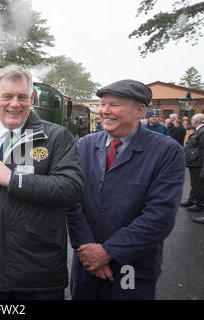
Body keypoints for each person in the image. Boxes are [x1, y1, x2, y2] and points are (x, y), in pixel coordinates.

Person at [0, 65, 83, 300]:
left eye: (22, 97)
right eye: (7, 96)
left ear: (32, 98)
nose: (14, 104)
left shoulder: (57, 137)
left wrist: (12, 179)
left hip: (38, 273)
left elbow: (71, 189)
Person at [67, 79, 185, 300]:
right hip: (87, 263)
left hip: (133, 267)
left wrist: (109, 252)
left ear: (140, 110)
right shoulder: (84, 145)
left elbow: (160, 216)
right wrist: (87, 248)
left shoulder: (167, 151)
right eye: (102, 104)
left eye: (114, 105)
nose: (104, 111)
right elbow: (73, 202)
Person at [182, 113, 204, 216]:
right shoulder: (198, 130)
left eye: (192, 120)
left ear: (196, 121)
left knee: (197, 184)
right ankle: (191, 200)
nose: (191, 121)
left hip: (198, 161)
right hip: (194, 161)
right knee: (194, 183)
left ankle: (198, 203)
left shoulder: (202, 131)